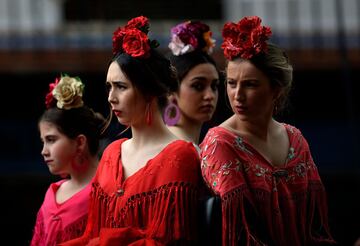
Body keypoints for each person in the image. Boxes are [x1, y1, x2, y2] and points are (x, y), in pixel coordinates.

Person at [61, 16, 201, 245]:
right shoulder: (111, 154)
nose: (110, 97)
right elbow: (90, 236)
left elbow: (167, 240)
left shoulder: (179, 155)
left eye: (121, 87)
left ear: (149, 91)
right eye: (109, 87)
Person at [200, 16, 336, 245]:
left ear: (276, 90)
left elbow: (314, 226)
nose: (238, 95)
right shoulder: (220, 142)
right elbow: (239, 233)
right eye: (231, 83)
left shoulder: (295, 139)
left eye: (250, 84)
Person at [31, 74, 105, 245]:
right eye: (43, 142)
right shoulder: (52, 193)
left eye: (51, 140)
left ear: (80, 142)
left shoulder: (107, 193)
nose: (43, 151)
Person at [166, 20, 220, 144]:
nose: (210, 95)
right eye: (198, 86)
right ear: (171, 91)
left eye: (214, 86)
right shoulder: (180, 149)